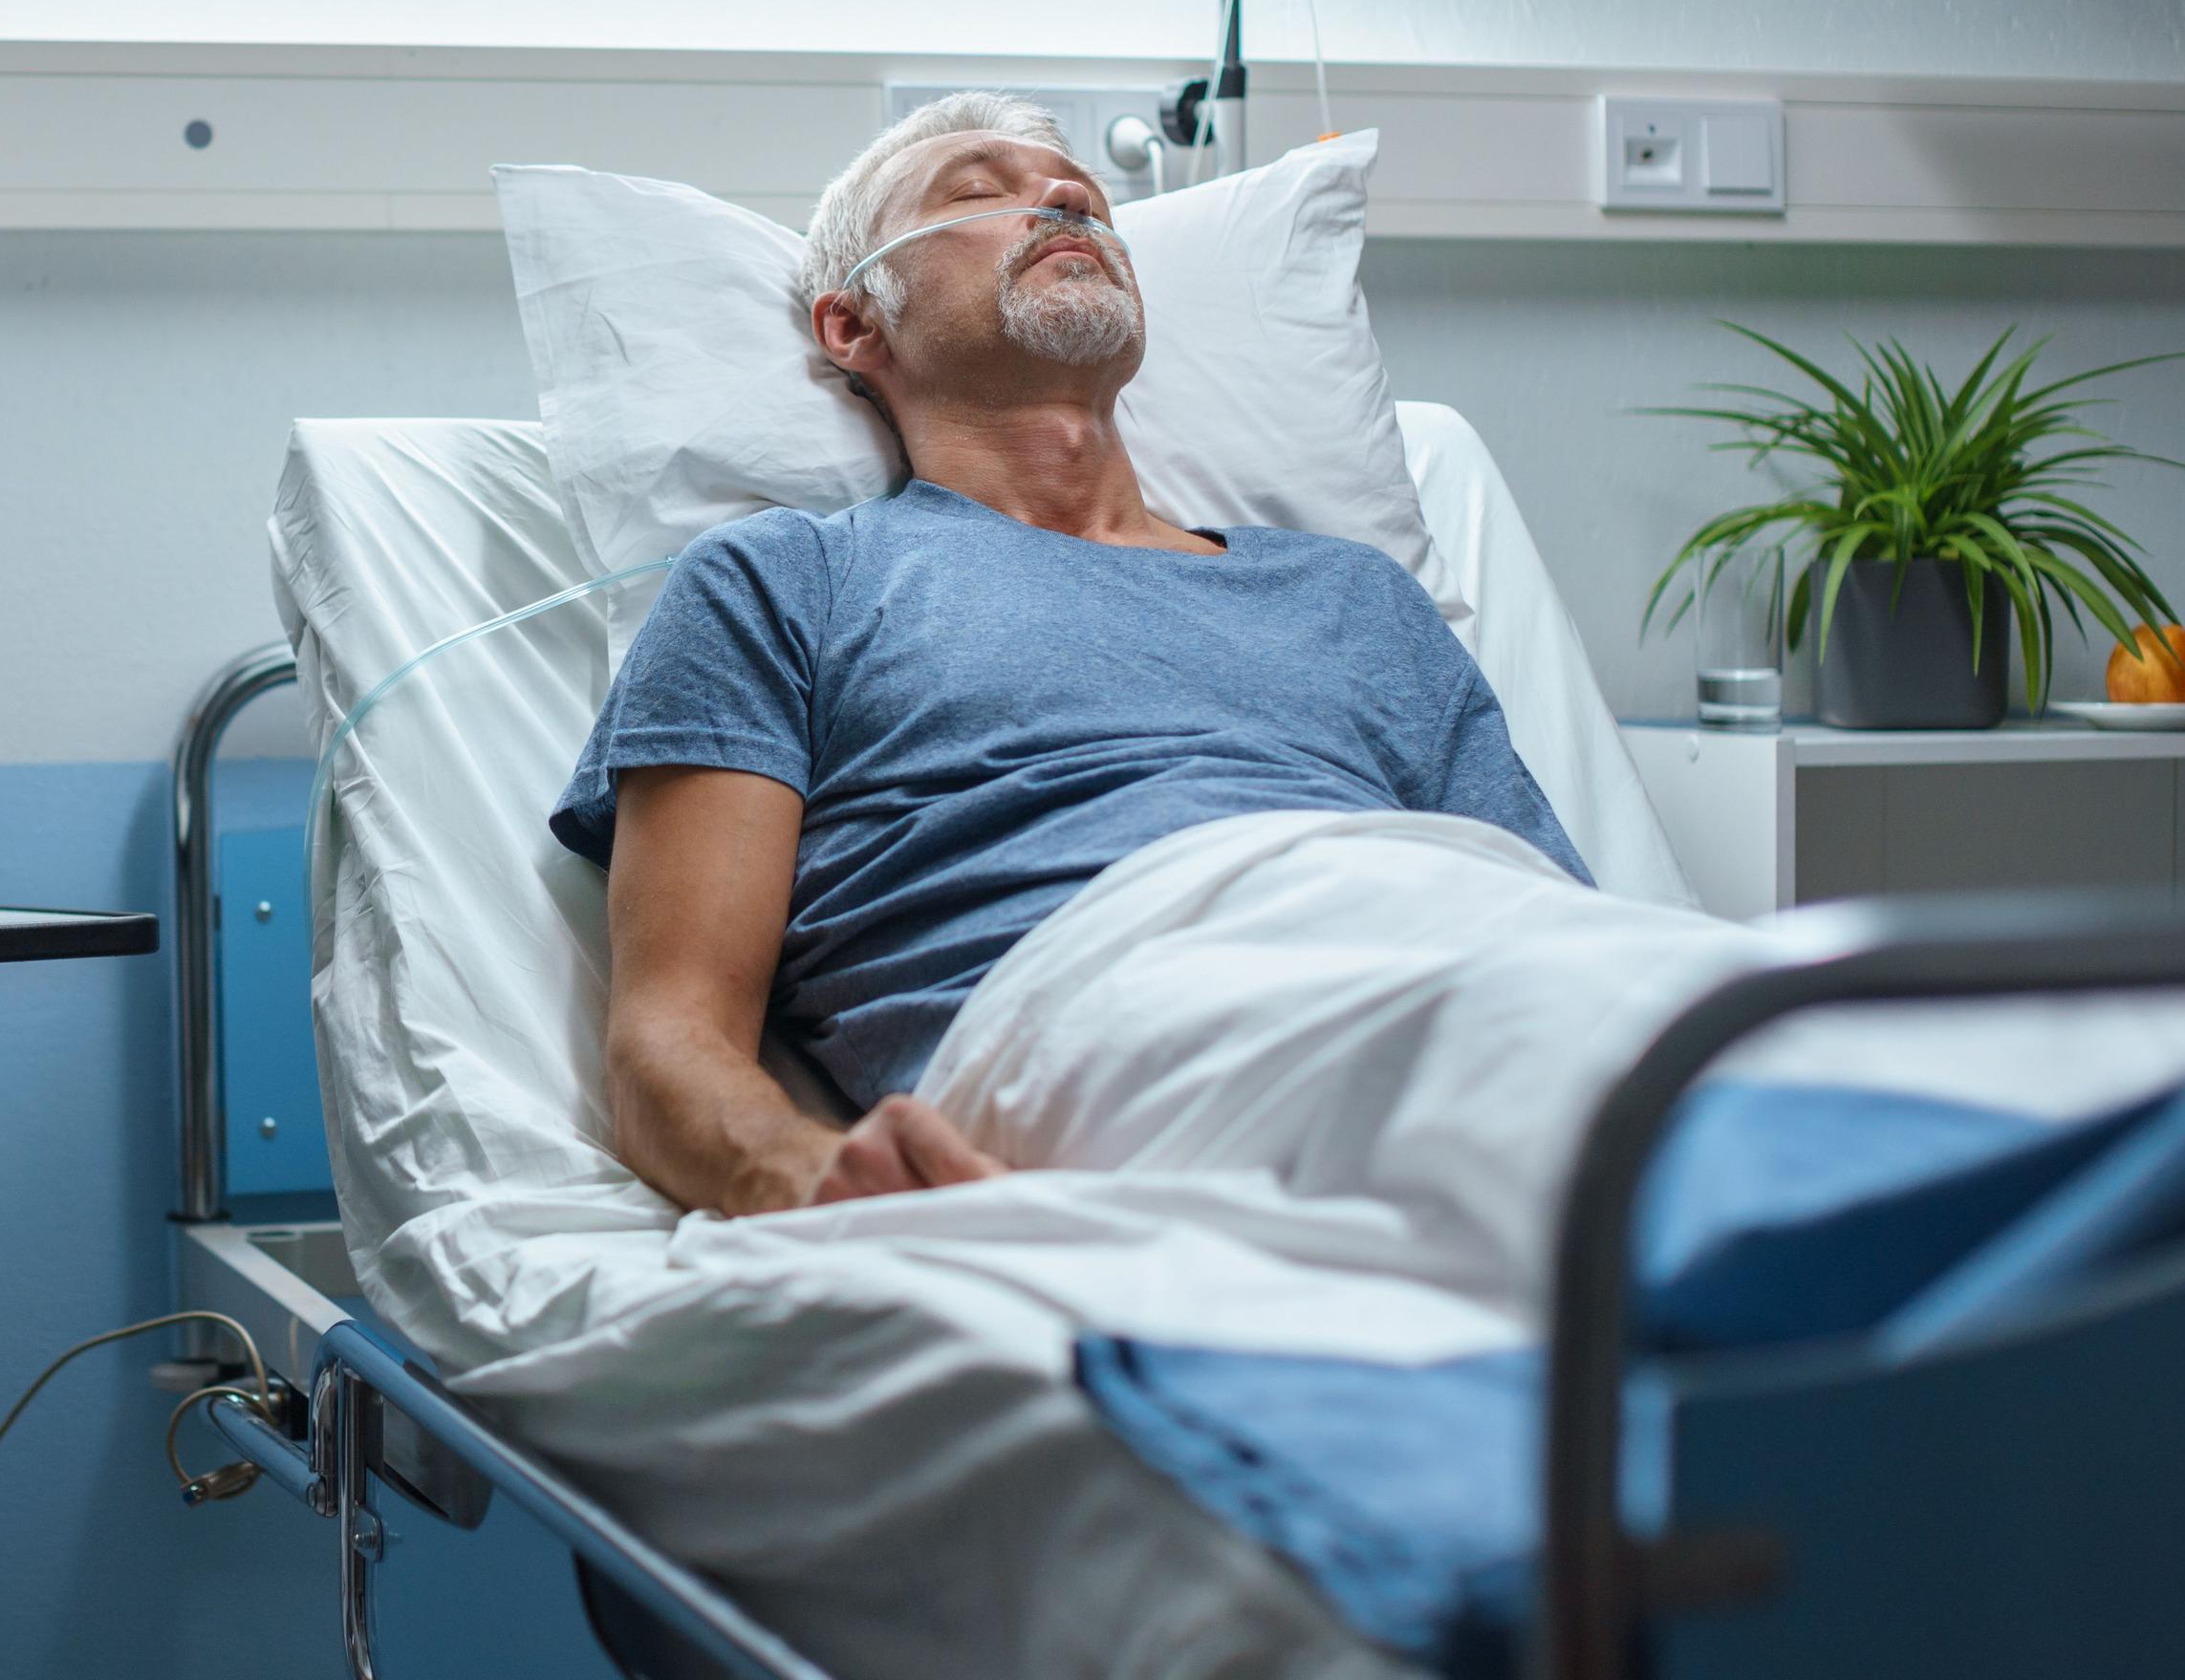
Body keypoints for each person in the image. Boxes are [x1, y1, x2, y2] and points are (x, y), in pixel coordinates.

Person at [549, 91, 1587, 1218]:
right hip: (1112, 1011)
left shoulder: (1354, 595)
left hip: (1463, 966)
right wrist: (818, 1183)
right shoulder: (781, 581)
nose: (1063, 198)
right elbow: (668, 1044)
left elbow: (1559, 925)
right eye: (980, 191)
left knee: (1728, 1056)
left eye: (1083, 196)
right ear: (855, 329)